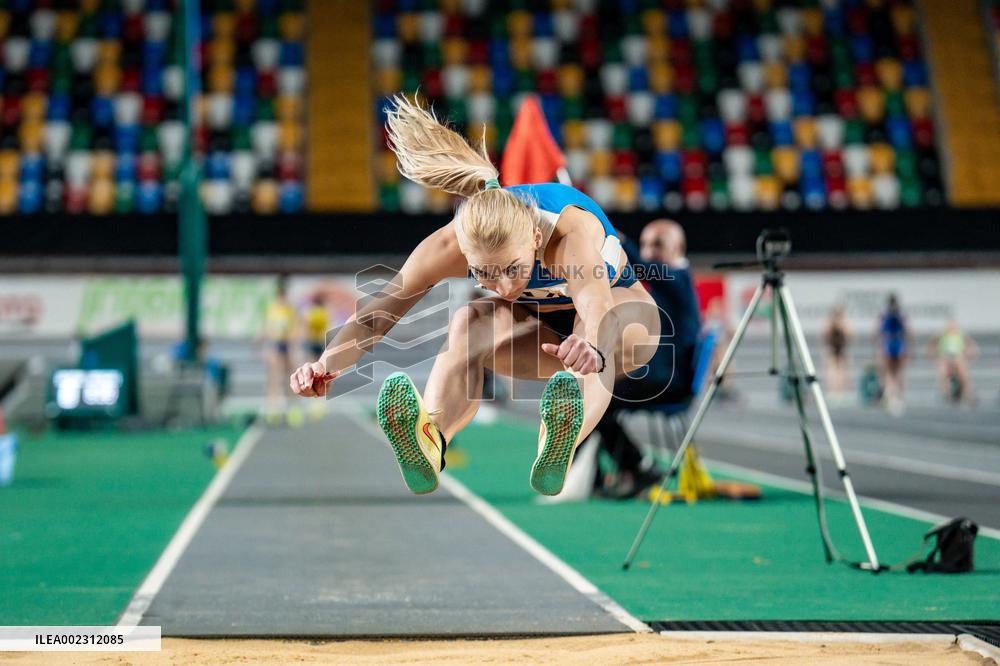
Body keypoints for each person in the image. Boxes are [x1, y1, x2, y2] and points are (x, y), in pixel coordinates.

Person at [289, 94, 659, 496]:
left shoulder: (567, 233)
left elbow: (596, 304)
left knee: (595, 322)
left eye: (512, 269)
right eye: (485, 273)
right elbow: (379, 312)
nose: (503, 286)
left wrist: (593, 349)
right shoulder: (451, 245)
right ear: (465, 253)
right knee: (469, 320)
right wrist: (325, 364)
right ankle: (431, 438)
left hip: (624, 330)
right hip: (541, 337)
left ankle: (559, 438)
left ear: (534, 238)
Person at [586, 220, 702, 498]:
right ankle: (617, 470)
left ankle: (631, 467)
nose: (649, 251)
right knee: (594, 394)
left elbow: (640, 267)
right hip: (658, 375)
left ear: (679, 248)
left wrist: (613, 237)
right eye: (646, 244)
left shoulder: (678, 278)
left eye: (657, 245)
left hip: (667, 381)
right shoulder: (670, 282)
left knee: (596, 400)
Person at [262, 276, 301, 427]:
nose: (282, 295)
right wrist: (265, 345)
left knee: (290, 379)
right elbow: (267, 327)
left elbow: (297, 327)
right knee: (274, 380)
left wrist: (294, 346)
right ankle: (273, 411)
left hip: (287, 344)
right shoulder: (273, 307)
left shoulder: (291, 308)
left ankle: (293, 411)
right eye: (280, 292)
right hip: (275, 344)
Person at [925, 319, 978, 406]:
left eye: (953, 326)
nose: (951, 327)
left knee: (963, 374)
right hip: (945, 357)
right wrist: (934, 358)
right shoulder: (941, 334)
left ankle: (967, 394)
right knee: (943, 373)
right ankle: (947, 394)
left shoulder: (960, 334)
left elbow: (972, 346)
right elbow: (930, 345)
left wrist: (969, 356)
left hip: (957, 357)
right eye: (949, 326)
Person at [876, 293, 911, 416]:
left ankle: (893, 397)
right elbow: (908, 331)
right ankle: (895, 397)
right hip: (895, 342)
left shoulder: (885, 314)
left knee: (892, 373)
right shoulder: (899, 314)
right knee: (895, 373)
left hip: (891, 342)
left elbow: (878, 331)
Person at [822, 305, 852, 401]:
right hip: (832, 350)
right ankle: (832, 390)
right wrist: (832, 325)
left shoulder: (844, 324)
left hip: (841, 350)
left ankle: (841, 391)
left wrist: (842, 326)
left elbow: (850, 336)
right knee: (831, 370)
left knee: (842, 371)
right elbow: (824, 335)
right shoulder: (829, 323)